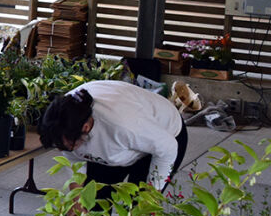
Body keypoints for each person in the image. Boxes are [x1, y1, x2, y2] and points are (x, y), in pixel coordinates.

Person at [38, 80, 188, 191]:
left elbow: (167, 148)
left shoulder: (124, 124)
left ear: (86, 127)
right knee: (93, 204)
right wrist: (76, 198)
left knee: (140, 209)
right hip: (118, 144)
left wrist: (152, 195)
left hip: (164, 137)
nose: (66, 150)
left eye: (70, 146)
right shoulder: (63, 119)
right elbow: (73, 161)